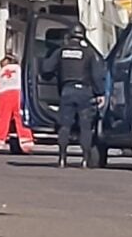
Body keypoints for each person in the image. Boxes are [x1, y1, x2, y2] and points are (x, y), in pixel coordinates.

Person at [42, 23, 105, 168]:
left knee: (65, 125)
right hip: (84, 92)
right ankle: (84, 159)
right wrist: (100, 93)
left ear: (69, 35)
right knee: (85, 126)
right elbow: (96, 75)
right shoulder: (89, 52)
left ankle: (62, 158)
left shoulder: (61, 51)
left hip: (67, 91)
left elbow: (46, 68)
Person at [0, 55, 36, 154]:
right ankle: (26, 143)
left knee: (2, 120)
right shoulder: (20, 69)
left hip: (4, 96)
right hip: (19, 94)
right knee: (21, 119)